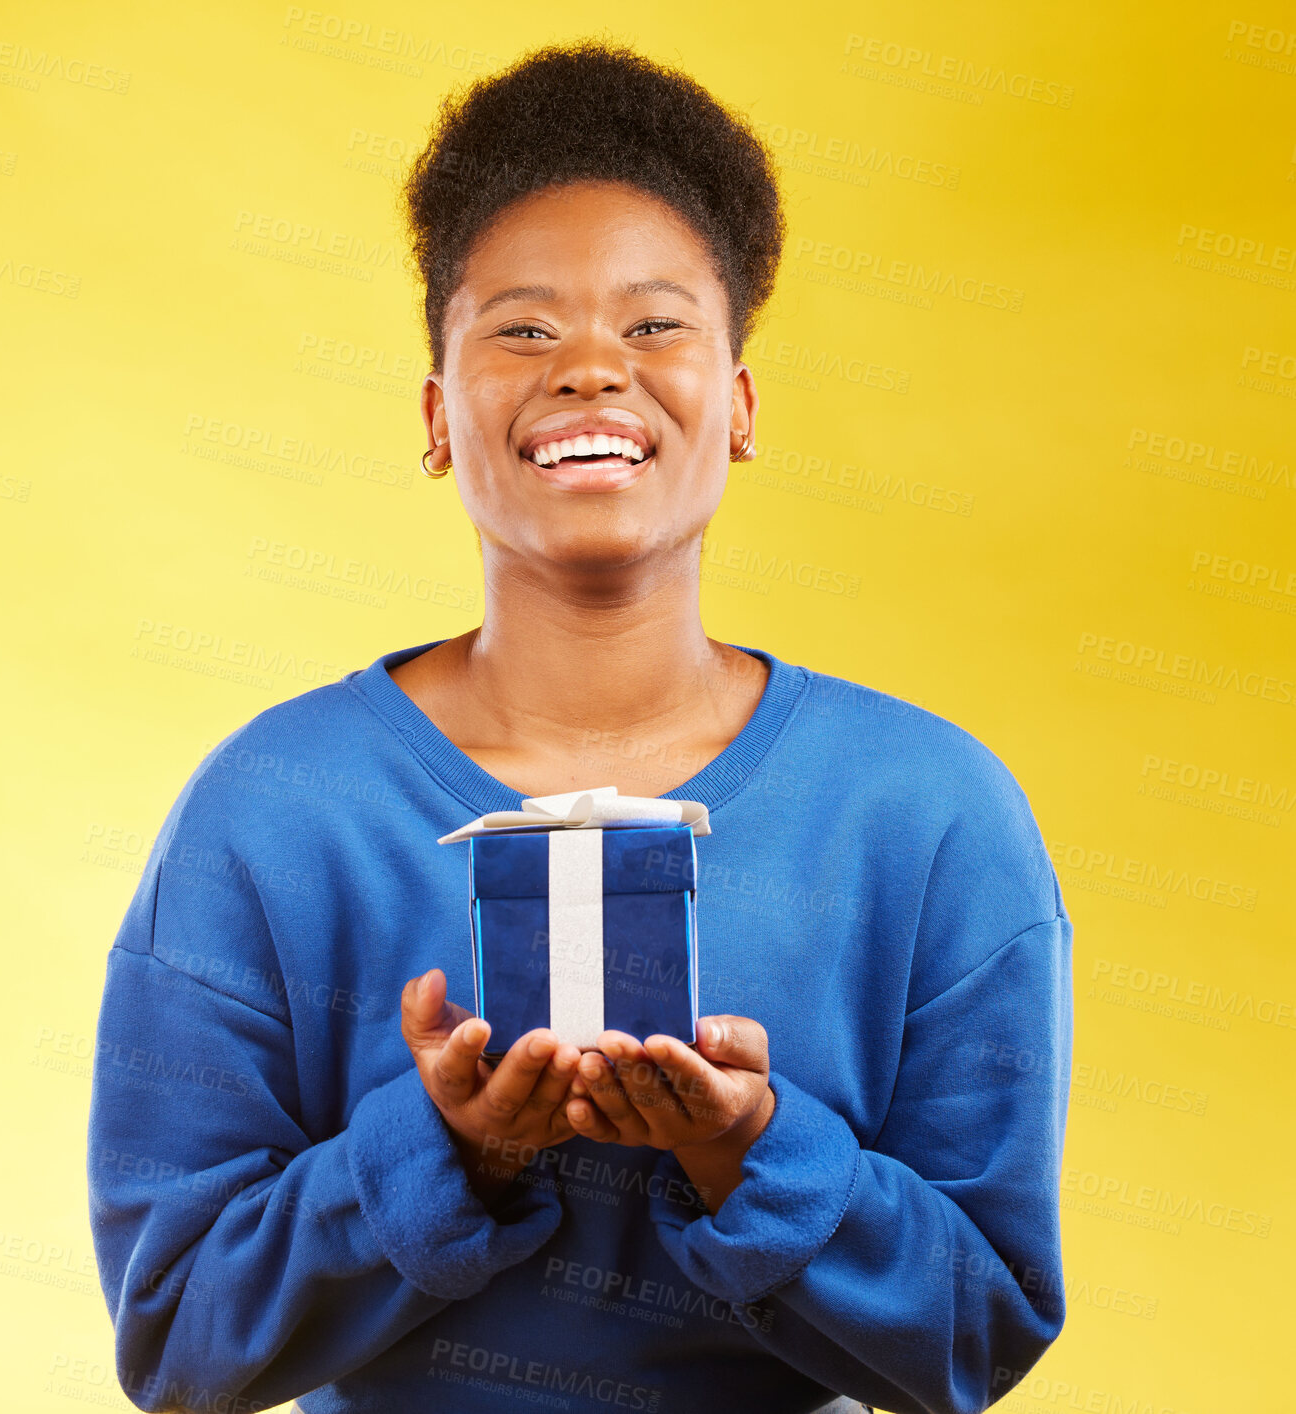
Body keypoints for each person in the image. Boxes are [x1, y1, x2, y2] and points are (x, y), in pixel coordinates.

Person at [88, 40, 1072, 1414]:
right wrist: (446, 1155)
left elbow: (978, 1332)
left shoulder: (929, 813)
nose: (592, 372)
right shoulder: (271, 809)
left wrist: (755, 1160)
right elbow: (180, 1339)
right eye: (524, 329)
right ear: (439, 416)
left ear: (736, 407)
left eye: (656, 324)